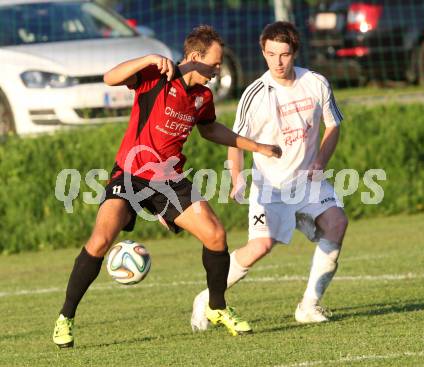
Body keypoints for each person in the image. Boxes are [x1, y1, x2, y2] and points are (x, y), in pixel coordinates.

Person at [52, 25, 282, 348]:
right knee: (101, 238)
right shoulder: (158, 76)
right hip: (130, 174)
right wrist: (147, 57)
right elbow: (110, 78)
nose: (218, 70)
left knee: (215, 235)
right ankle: (66, 317)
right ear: (193, 57)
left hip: (169, 180)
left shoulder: (203, 96)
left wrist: (256, 147)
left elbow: (210, 129)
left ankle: (217, 307)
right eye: (213, 64)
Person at [191, 21, 348, 331]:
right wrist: (237, 177)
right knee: (260, 247)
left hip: (307, 182)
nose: (278, 62)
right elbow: (234, 140)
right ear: (263, 52)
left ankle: (309, 305)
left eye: (285, 54)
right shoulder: (257, 94)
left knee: (337, 223)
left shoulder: (316, 82)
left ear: (295, 53)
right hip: (271, 186)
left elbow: (333, 125)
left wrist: (320, 161)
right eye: (271, 54)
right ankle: (207, 298)